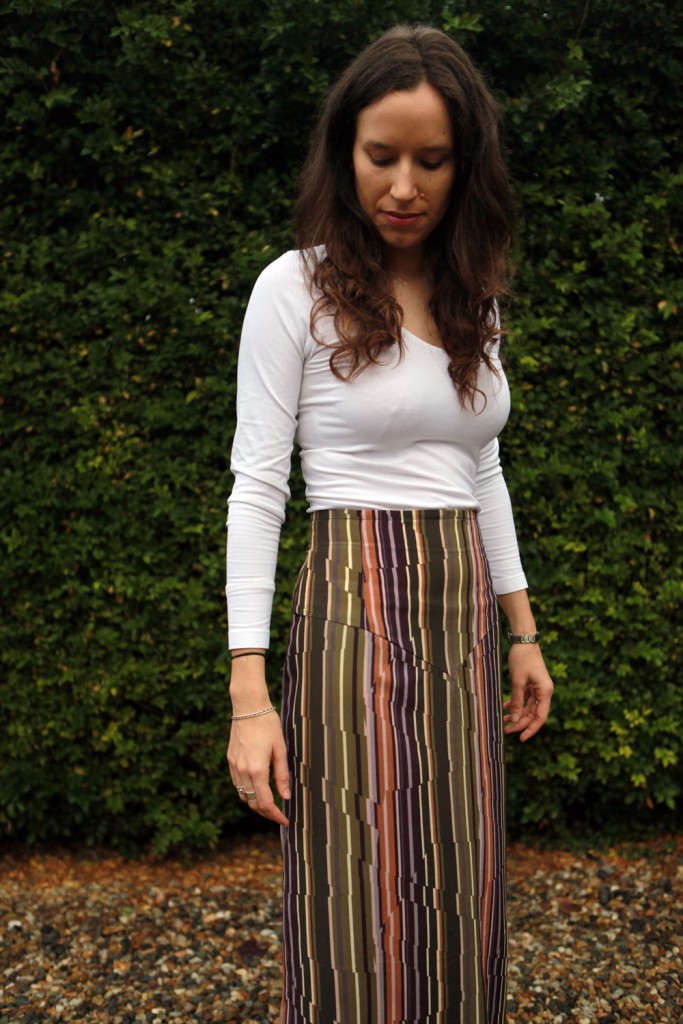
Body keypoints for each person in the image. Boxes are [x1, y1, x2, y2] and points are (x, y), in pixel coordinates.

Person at [225, 23, 554, 1024]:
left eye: (430, 159)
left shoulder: (473, 302)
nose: (403, 184)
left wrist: (523, 629)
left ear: (466, 167)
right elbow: (255, 483)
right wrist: (248, 693)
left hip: (460, 626)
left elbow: (480, 465)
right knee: (351, 886)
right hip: (350, 613)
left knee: (460, 877)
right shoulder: (296, 289)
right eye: (381, 156)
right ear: (343, 153)